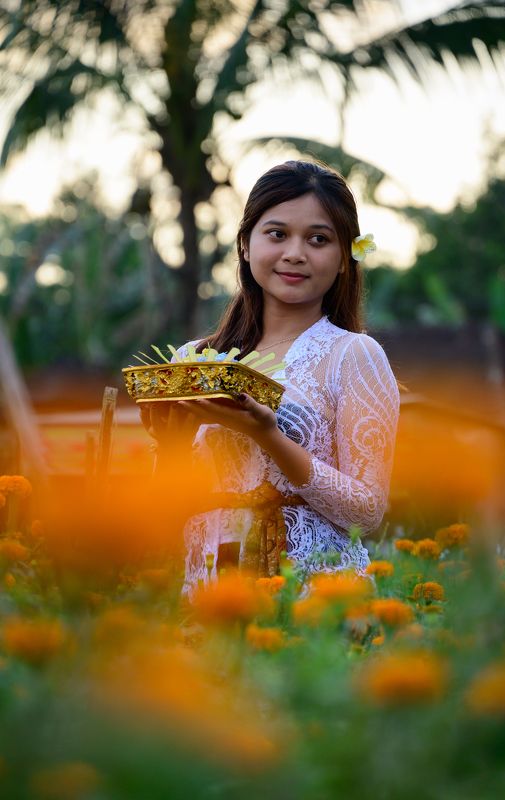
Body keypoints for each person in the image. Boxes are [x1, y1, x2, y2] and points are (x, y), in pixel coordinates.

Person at [144, 160, 400, 596]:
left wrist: (268, 435)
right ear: (245, 245)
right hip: (213, 593)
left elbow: (368, 512)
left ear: (344, 259)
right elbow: (163, 511)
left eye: (318, 239)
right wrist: (168, 440)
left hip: (315, 598)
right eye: (277, 234)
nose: (295, 253)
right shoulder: (197, 360)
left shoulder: (353, 355)